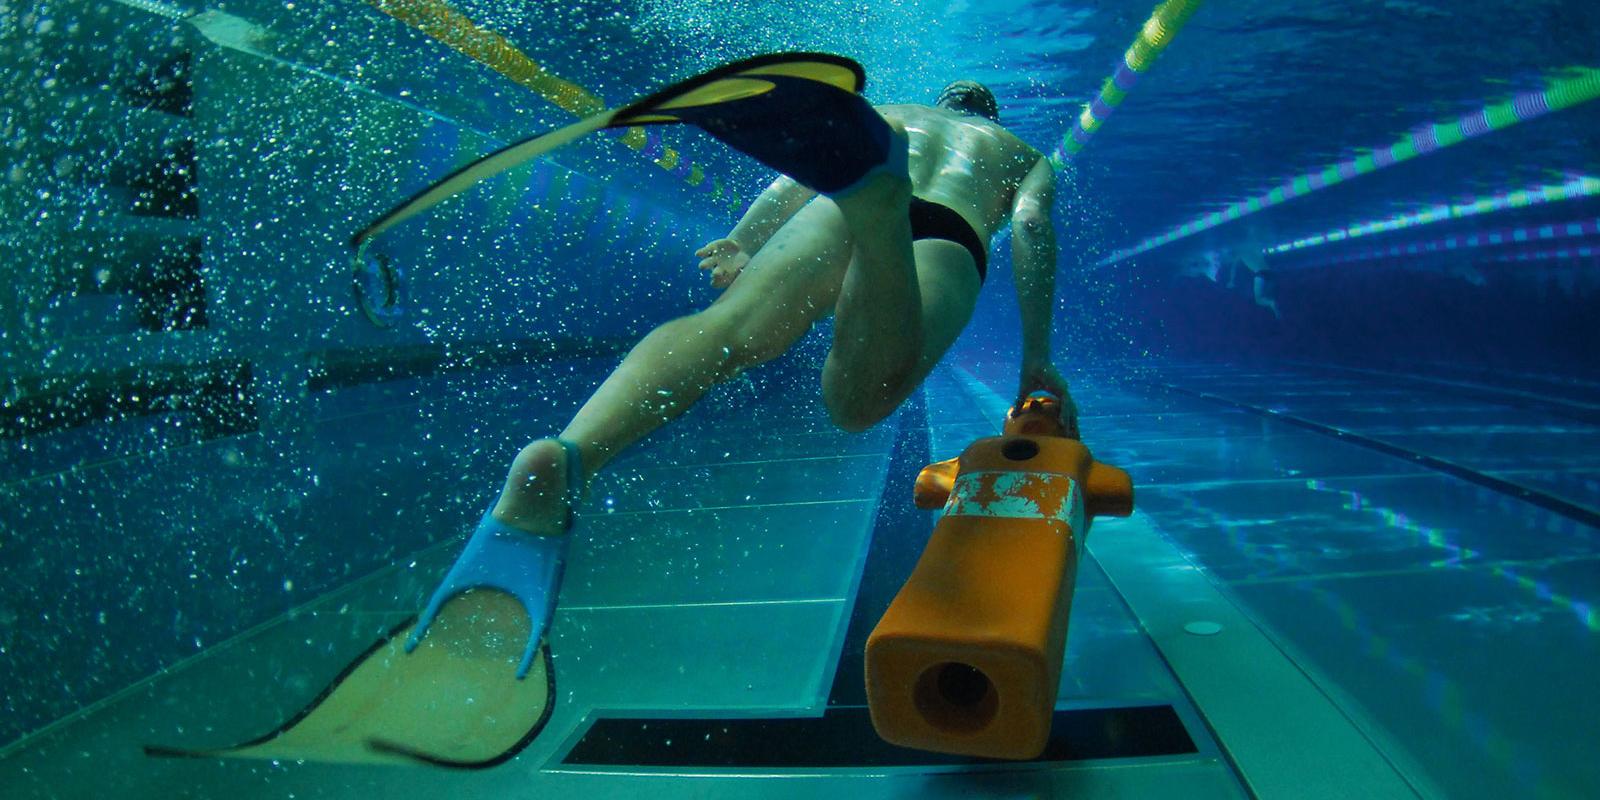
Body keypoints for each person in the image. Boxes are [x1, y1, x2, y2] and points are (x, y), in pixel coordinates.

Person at [407, 74, 1073, 677]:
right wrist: (1036, 359)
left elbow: (795, 180)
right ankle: (881, 220)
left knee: (727, 331)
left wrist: (743, 241)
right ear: (991, 113)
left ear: (943, 104)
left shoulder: (893, 116)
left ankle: (571, 452)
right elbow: (1032, 224)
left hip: (834, 197)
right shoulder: (1017, 154)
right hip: (946, 230)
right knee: (856, 401)